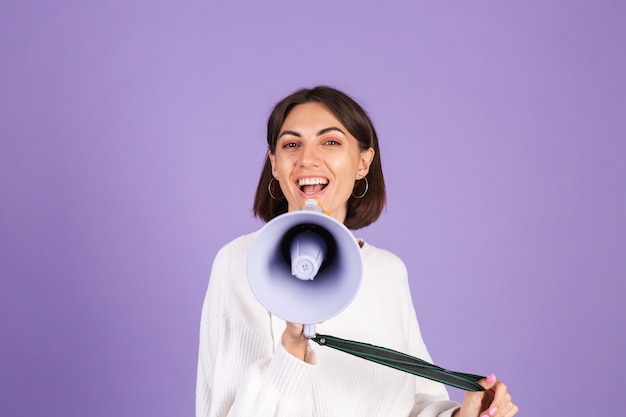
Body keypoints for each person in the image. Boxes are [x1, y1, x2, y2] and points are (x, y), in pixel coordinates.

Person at [196, 86, 518, 417]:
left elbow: (414, 402)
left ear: (363, 162)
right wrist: (292, 348)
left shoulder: (388, 272)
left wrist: (462, 415)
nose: (307, 158)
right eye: (291, 144)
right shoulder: (241, 263)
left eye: (330, 142)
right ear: (275, 165)